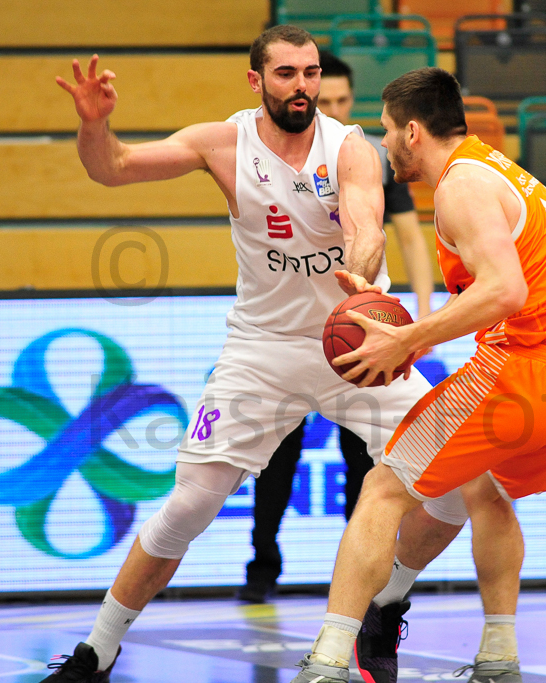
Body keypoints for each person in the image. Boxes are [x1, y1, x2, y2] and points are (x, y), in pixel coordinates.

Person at [40, 28, 466, 683]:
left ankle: (385, 603)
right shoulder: (222, 143)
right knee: (187, 506)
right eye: (287, 73)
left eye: (311, 73)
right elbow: (112, 168)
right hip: (262, 351)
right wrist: (96, 126)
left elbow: (365, 224)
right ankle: (97, 648)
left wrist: (359, 274)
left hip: (357, 342)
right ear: (256, 80)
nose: (302, 86)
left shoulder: (348, 145)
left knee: (460, 484)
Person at [290, 68, 546, 683]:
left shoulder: (459, 187)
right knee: (485, 489)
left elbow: (504, 290)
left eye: (388, 131)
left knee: (383, 487)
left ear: (413, 132)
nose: (383, 143)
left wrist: (409, 339)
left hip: (526, 371)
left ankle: (330, 659)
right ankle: (494, 655)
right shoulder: (499, 171)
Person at [237, 51, 435, 605]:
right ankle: (262, 563)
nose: (339, 109)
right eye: (334, 100)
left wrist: (417, 315)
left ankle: (358, 577)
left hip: (355, 330)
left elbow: (406, 237)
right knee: (276, 462)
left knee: (365, 466)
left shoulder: (365, 157)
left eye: (346, 100)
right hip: (288, 336)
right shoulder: (278, 158)